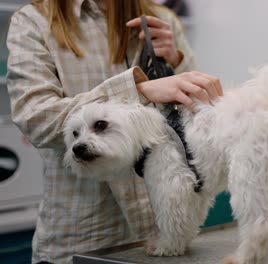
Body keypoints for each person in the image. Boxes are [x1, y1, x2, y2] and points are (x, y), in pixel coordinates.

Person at [6, 0, 223, 263]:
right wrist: (139, 89)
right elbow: (35, 118)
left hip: (164, 234)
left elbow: (195, 116)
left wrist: (176, 60)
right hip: (81, 238)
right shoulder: (33, 21)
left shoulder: (162, 18)